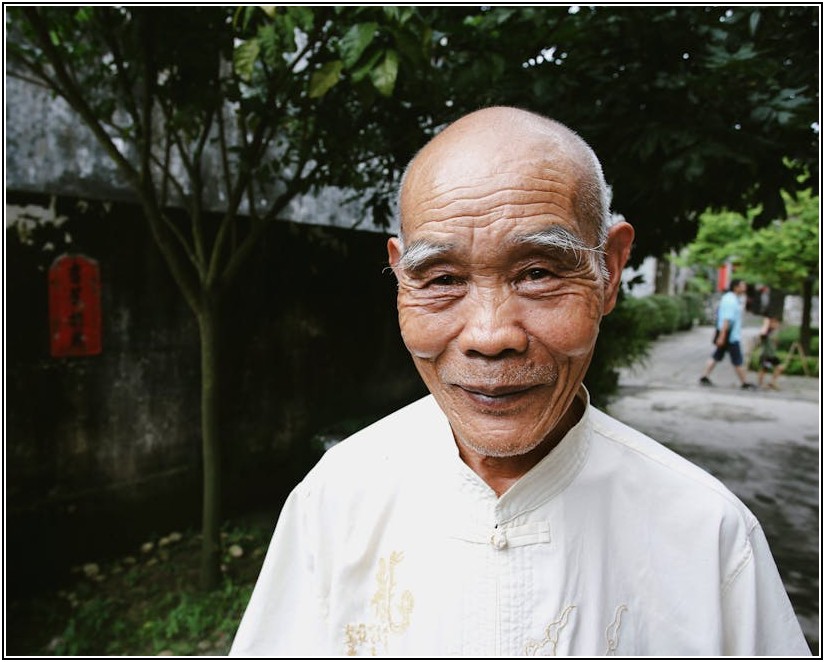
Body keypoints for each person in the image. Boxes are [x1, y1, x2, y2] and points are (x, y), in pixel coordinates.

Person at [230, 107, 809, 656]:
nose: (489, 334)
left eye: (537, 272)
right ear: (400, 274)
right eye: (441, 277)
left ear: (609, 271)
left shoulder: (708, 535)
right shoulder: (336, 499)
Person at [699, 278, 757, 389]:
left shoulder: (732, 299)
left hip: (728, 334)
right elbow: (727, 319)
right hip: (730, 335)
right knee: (737, 360)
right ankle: (744, 382)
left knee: (716, 356)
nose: (744, 288)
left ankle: (704, 376)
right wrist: (722, 336)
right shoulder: (731, 300)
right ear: (736, 287)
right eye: (742, 285)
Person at [756, 316, 785, 389]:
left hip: (772, 355)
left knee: (780, 367)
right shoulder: (766, 333)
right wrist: (766, 323)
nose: (777, 325)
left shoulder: (774, 333)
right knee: (764, 369)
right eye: (775, 323)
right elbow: (762, 335)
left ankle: (772, 382)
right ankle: (760, 383)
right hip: (766, 355)